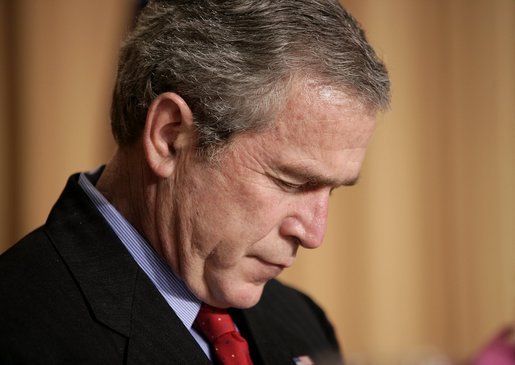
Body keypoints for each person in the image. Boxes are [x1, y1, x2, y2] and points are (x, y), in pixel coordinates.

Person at [0, 0, 390, 364]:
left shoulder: (303, 323)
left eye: (333, 189)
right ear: (170, 137)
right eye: (291, 181)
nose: (314, 234)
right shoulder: (17, 330)